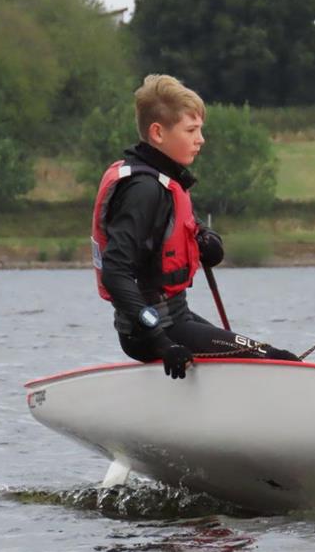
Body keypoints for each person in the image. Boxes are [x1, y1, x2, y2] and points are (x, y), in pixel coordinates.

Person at [91, 74, 299, 378]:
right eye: (191, 130)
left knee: (253, 355)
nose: (200, 139)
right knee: (275, 358)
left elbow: (192, 228)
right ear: (158, 133)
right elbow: (115, 272)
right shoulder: (143, 190)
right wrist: (163, 345)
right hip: (151, 330)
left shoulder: (165, 179)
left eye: (200, 129)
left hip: (176, 317)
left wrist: (208, 241)